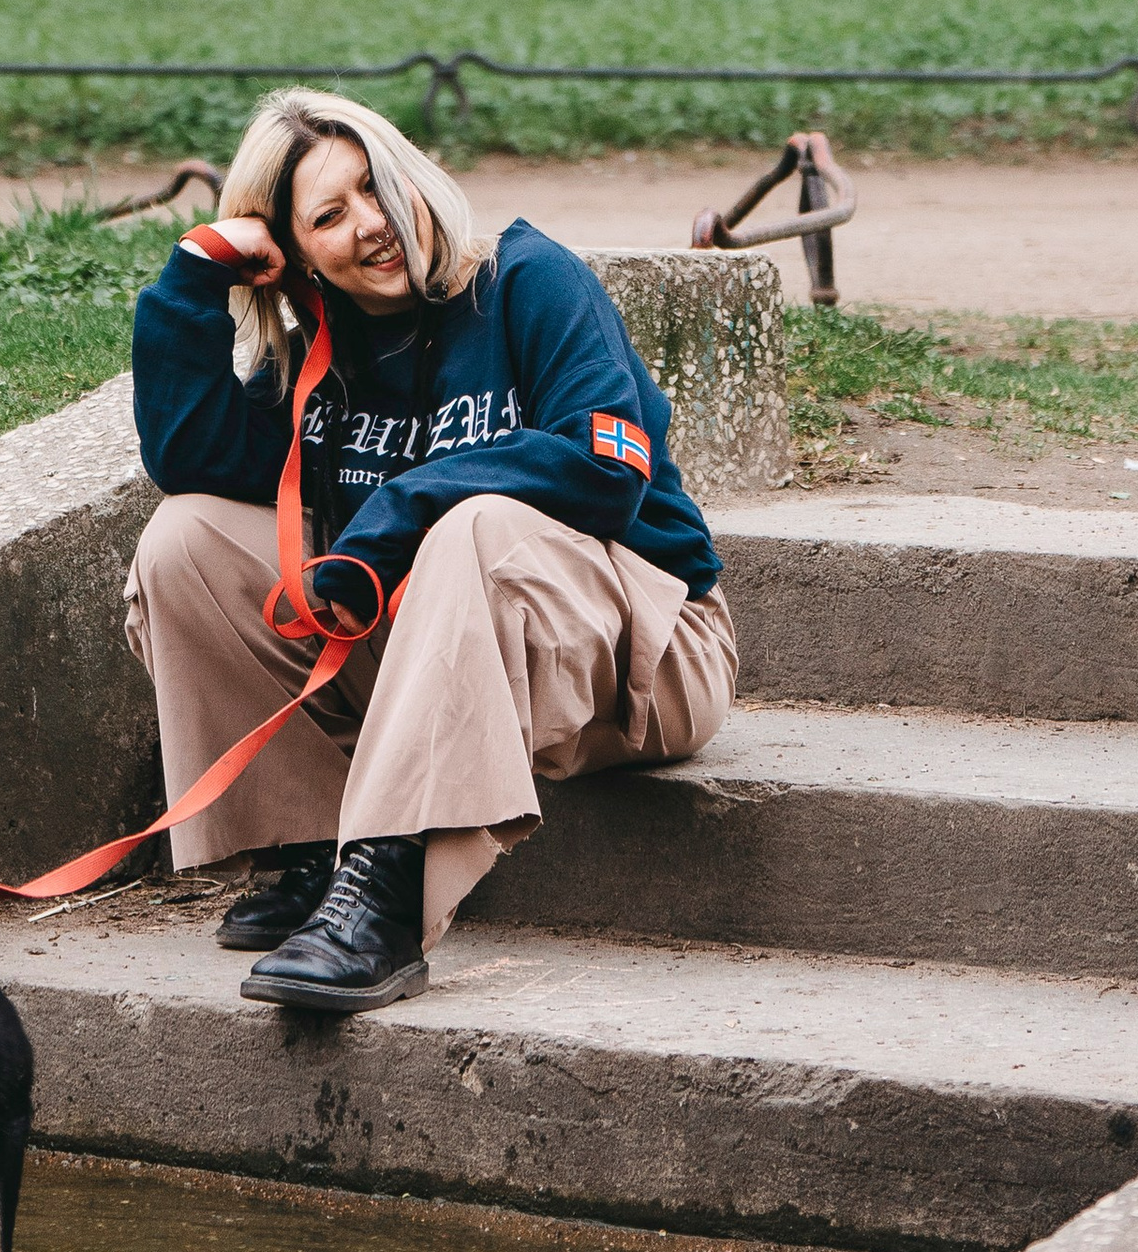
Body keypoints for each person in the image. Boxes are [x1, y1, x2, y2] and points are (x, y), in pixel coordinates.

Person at [127, 87, 736, 1015]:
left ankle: (382, 894)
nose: (374, 226)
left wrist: (403, 508)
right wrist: (195, 275)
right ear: (295, 256)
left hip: (647, 654)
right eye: (329, 216)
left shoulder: (526, 280)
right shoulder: (322, 353)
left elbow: (606, 465)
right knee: (186, 539)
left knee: (474, 525)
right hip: (437, 656)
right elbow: (191, 457)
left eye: (378, 186)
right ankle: (306, 851)